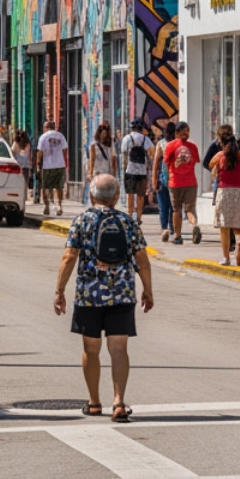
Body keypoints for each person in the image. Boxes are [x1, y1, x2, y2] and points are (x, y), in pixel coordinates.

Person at [54, 174, 154, 423]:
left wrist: (59, 290)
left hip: (89, 295)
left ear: (90, 195)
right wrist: (148, 290)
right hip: (122, 294)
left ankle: (95, 402)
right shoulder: (128, 222)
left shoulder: (82, 220)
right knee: (119, 349)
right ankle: (119, 402)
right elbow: (142, 259)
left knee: (91, 348)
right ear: (117, 197)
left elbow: (69, 257)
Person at [208, 132, 240, 265]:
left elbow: (209, 164)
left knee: (224, 227)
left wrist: (216, 168)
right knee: (237, 224)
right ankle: (239, 241)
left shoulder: (220, 156)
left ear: (222, 143)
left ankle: (226, 258)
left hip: (224, 191)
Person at [163, 121, 201, 245]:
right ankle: (194, 225)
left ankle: (178, 236)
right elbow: (194, 161)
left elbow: (167, 163)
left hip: (175, 183)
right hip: (190, 182)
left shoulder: (170, 146)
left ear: (176, 133)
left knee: (176, 210)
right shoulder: (193, 146)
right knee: (190, 209)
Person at [120, 119, 154, 220]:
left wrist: (124, 167)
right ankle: (139, 217)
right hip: (142, 172)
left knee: (130, 194)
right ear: (141, 128)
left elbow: (124, 154)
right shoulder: (146, 139)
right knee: (140, 195)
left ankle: (130, 215)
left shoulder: (127, 138)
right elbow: (151, 153)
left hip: (130, 171)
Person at [37, 119, 70, 216]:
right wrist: (62, 161)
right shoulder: (60, 136)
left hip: (47, 166)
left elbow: (39, 152)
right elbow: (65, 150)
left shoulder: (43, 137)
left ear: (46, 127)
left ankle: (47, 206)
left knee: (45, 187)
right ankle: (59, 206)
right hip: (60, 165)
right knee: (59, 187)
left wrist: (38, 164)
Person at [86, 122, 118, 199]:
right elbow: (92, 159)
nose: (104, 136)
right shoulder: (94, 145)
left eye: (106, 134)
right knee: (95, 191)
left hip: (107, 171)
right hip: (97, 171)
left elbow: (113, 157)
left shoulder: (110, 144)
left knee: (106, 191)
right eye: (103, 134)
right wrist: (90, 172)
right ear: (99, 134)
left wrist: (114, 171)